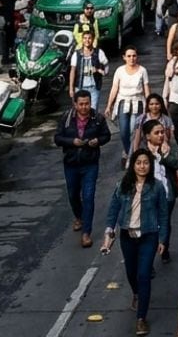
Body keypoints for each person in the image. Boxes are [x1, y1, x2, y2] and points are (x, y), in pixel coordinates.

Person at [102, 148, 170, 336]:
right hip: (127, 236)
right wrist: (109, 232)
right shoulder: (122, 185)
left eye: (146, 163)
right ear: (133, 165)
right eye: (138, 163)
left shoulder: (157, 187)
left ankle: (141, 318)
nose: (142, 166)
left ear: (150, 165)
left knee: (143, 275)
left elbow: (164, 215)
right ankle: (137, 294)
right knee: (131, 272)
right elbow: (113, 210)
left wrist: (163, 238)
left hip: (149, 236)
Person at [55, 90, 111, 249]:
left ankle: (86, 233)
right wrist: (72, 142)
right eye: (81, 104)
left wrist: (97, 141)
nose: (85, 107)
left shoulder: (97, 119)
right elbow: (57, 139)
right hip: (71, 163)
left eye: (87, 103)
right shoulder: (66, 118)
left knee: (88, 196)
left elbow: (106, 136)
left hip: (90, 164)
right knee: (73, 194)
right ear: (75, 104)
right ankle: (79, 216)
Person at [105, 47, 150, 159]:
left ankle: (132, 155)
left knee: (133, 131)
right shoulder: (119, 71)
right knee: (123, 131)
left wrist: (149, 105)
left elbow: (146, 88)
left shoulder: (142, 70)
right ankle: (128, 151)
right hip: (123, 102)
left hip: (137, 102)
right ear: (124, 57)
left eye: (134, 56)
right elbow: (114, 88)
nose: (132, 58)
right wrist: (109, 105)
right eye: (129, 56)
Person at [67, 31, 108, 111]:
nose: (87, 40)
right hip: (79, 87)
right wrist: (71, 88)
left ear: (93, 39)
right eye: (85, 38)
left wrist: (98, 70)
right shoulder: (77, 54)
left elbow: (106, 66)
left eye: (89, 38)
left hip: (94, 87)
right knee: (80, 111)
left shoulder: (99, 52)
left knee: (93, 111)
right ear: (82, 40)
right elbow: (72, 71)